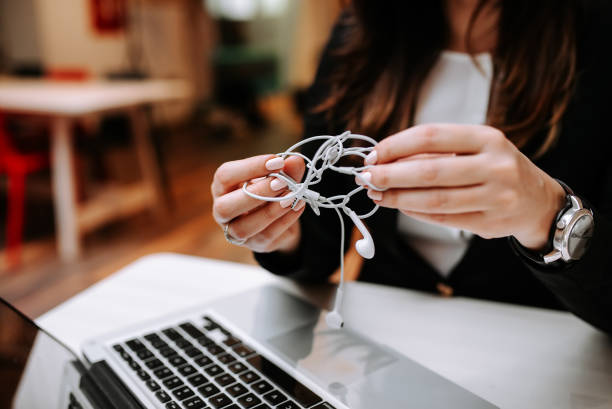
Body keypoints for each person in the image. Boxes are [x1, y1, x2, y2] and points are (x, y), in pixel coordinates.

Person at [211, 0, 612, 334]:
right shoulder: (360, 34)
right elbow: (319, 242)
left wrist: (550, 216)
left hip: (546, 355)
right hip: (381, 346)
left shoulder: (595, 33)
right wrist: (278, 231)